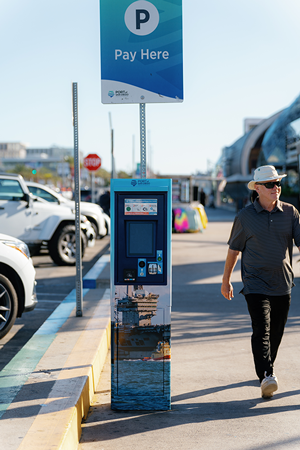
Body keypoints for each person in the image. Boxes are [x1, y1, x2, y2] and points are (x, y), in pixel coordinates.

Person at [221, 165, 300, 399]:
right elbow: (233, 251)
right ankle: (266, 374)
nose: (276, 187)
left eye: (277, 183)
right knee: (261, 329)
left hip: (283, 283)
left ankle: (267, 368)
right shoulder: (244, 217)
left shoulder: (290, 212)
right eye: (270, 184)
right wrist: (225, 281)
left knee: (276, 331)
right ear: (257, 188)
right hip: (255, 283)